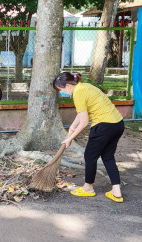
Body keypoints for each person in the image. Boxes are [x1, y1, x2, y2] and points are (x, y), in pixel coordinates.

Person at [53, 72, 124, 202]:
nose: (61, 93)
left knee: (90, 156)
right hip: (117, 124)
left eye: (61, 90)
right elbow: (82, 113)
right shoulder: (85, 87)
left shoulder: (78, 93)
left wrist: (70, 138)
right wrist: (73, 126)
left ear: (68, 86)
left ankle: (88, 188)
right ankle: (116, 191)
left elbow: (84, 122)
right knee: (108, 156)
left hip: (103, 126)